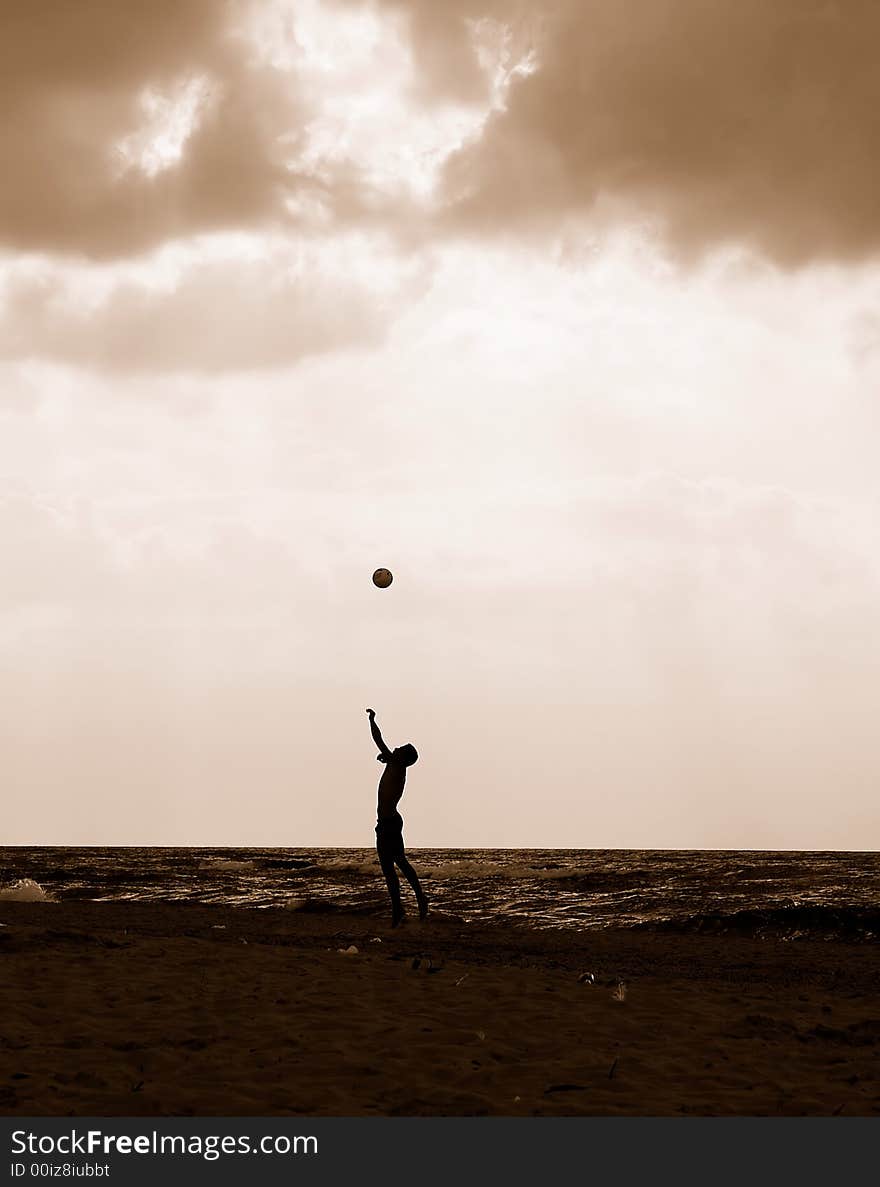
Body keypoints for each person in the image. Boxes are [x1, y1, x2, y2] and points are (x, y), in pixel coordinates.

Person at [366, 708, 428, 927]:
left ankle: (410, 904)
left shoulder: (396, 764)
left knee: (394, 866)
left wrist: (372, 720)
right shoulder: (395, 764)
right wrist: (386, 758)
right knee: (394, 866)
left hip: (389, 824)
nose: (397, 747)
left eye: (401, 749)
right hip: (387, 822)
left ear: (403, 757)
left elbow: (378, 739)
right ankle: (406, 906)